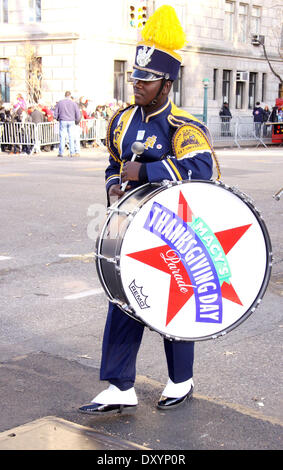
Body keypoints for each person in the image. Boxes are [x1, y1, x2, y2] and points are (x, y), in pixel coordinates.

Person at [78, 5, 219, 415]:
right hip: (131, 231)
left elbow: (203, 169)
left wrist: (147, 170)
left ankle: (181, 380)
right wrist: (113, 186)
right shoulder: (121, 122)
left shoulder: (182, 127)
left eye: (146, 78)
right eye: (134, 77)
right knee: (124, 300)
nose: (136, 84)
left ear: (167, 83)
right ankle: (120, 385)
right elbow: (112, 162)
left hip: (175, 234)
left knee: (173, 304)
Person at [53, 91, 81, 157]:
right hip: (71, 120)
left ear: (64, 95)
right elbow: (78, 114)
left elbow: (56, 112)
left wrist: (57, 118)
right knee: (71, 137)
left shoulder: (60, 103)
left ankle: (61, 152)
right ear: (70, 95)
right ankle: (72, 152)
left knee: (62, 137)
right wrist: (77, 121)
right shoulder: (73, 103)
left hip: (63, 120)